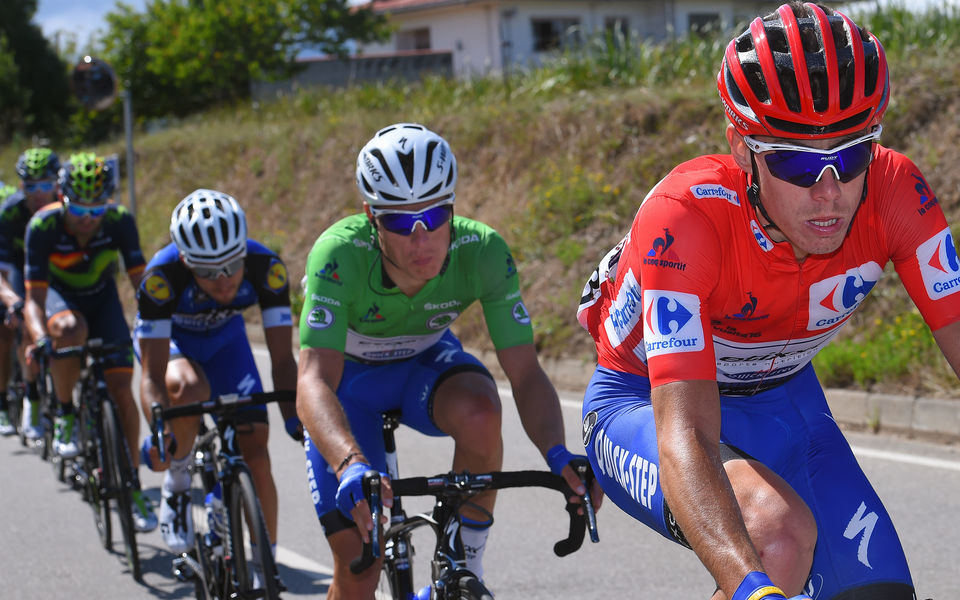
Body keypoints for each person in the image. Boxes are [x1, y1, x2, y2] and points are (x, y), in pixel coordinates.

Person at [575, 3, 960, 599]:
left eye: (852, 154)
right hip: (645, 405)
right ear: (743, 149)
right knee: (774, 536)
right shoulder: (687, 218)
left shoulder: (895, 193)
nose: (828, 192)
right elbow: (688, 436)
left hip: (786, 401)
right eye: (797, 162)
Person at [297, 122, 602, 599]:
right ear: (370, 216)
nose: (421, 240)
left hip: (423, 367)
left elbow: (523, 373)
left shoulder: (482, 251)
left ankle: (465, 564)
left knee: (482, 410)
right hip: (348, 388)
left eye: (435, 216)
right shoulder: (339, 255)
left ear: (453, 209)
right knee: (360, 570)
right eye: (399, 222)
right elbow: (313, 381)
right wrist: (350, 463)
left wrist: (557, 454)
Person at [135, 189, 300, 564]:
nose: (224, 281)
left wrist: (296, 419)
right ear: (185, 261)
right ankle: (177, 483)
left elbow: (283, 361)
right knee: (190, 388)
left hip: (226, 343)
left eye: (231, 266)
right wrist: (160, 426)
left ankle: (265, 566)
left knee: (256, 452)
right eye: (208, 272)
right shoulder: (160, 277)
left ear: (243, 251)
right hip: (175, 344)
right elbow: (152, 376)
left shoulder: (266, 268)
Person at [22, 152, 157, 531]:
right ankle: (65, 412)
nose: (87, 217)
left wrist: (157, 326)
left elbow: (142, 285)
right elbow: (33, 301)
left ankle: (131, 484)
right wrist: (40, 337)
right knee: (68, 330)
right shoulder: (43, 226)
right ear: (62, 198)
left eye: (96, 208)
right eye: (79, 207)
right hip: (59, 299)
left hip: (102, 301)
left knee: (121, 391)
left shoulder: (119, 221)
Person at [0, 148, 60, 437]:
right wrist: (13, 302)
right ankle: (26, 395)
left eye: (46, 185)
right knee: (14, 326)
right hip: (16, 278)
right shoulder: (9, 213)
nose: (38, 193)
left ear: (57, 184)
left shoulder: (68, 209)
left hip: (57, 277)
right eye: (31, 186)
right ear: (21, 186)